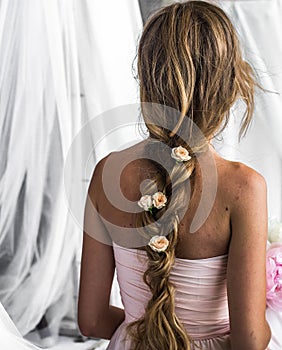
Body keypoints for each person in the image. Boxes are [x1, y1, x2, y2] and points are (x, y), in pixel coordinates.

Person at [78, 1, 273, 349]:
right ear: (229, 87)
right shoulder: (244, 189)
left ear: (146, 81)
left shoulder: (106, 173)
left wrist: (148, 332)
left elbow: (91, 319)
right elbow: (249, 341)